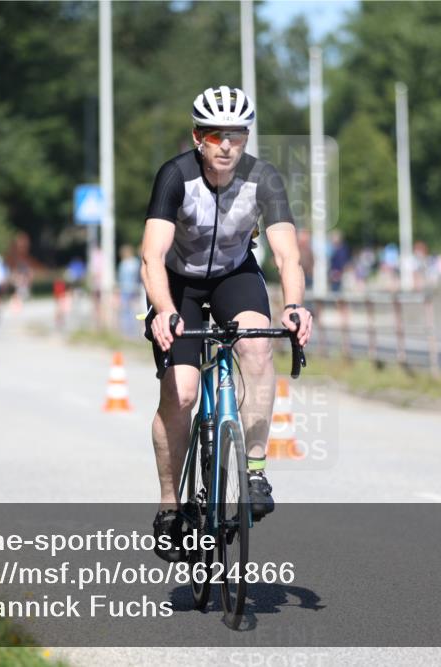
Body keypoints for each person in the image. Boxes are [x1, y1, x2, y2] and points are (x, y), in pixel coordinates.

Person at [140, 85, 313, 561]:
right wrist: (164, 311)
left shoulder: (264, 178)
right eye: (216, 135)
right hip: (178, 284)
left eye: (236, 134)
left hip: (234, 276)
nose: (227, 145)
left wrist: (295, 306)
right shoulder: (174, 176)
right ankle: (171, 506)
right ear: (198, 137)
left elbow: (285, 254)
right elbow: (151, 256)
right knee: (184, 392)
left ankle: (254, 470)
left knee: (258, 349)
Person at [117, 244, 142, 337]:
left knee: (126, 310)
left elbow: (121, 278)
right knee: (132, 310)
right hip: (133, 289)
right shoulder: (135, 263)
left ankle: (128, 331)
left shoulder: (123, 264)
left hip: (126, 290)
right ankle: (132, 331)